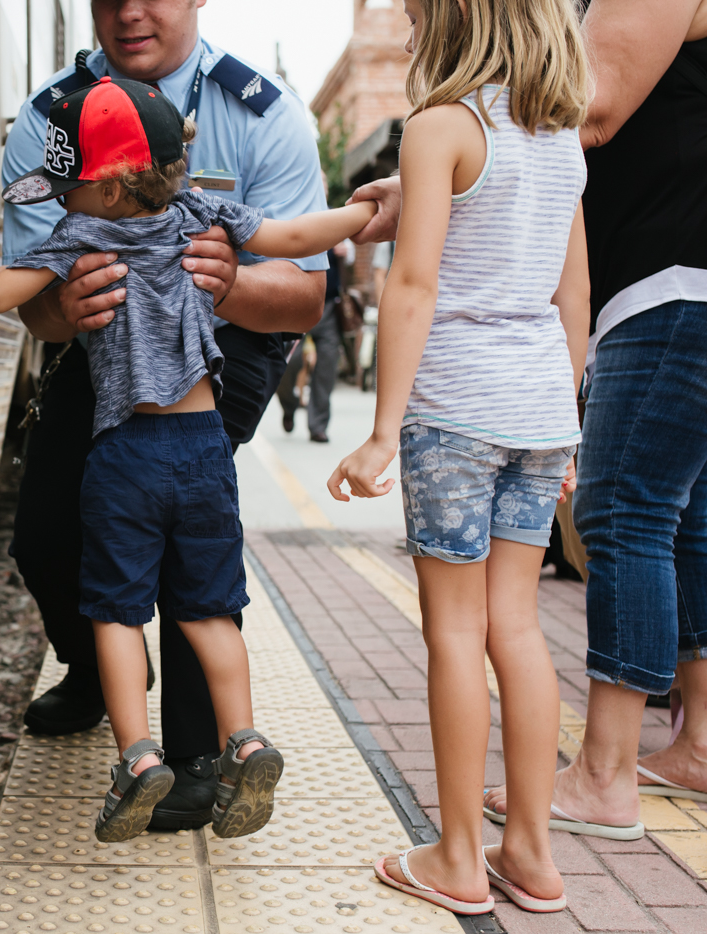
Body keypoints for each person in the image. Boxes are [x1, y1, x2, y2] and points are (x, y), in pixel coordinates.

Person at [0, 76, 378, 840]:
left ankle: (137, 756)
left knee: (117, 613)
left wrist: (42, 265)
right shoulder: (204, 211)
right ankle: (247, 740)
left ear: (107, 183)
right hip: (204, 452)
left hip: (124, 454)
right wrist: (365, 211)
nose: (59, 199)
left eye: (67, 186)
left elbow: (2, 293)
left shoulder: (80, 235)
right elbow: (297, 239)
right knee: (208, 612)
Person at [328, 0, 590, 915]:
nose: (403, 19)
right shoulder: (562, 141)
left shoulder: (440, 127)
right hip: (539, 412)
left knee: (452, 632)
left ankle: (457, 857)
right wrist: (571, 424)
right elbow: (574, 291)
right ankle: (531, 850)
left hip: (455, 414)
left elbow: (414, 282)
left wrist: (380, 429)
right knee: (515, 628)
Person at [479, 0, 707, 836]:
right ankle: (700, 744)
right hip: (684, 276)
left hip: (672, 277)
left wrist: (457, 160)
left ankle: (606, 774)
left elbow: (592, 101)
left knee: (623, 508)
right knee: (688, 518)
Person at [277, 246, 345, 442]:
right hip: (300, 303)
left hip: (330, 305)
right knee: (289, 362)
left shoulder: (336, 219)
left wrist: (345, 254)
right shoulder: (301, 215)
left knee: (326, 367)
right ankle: (289, 405)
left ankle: (318, 426)